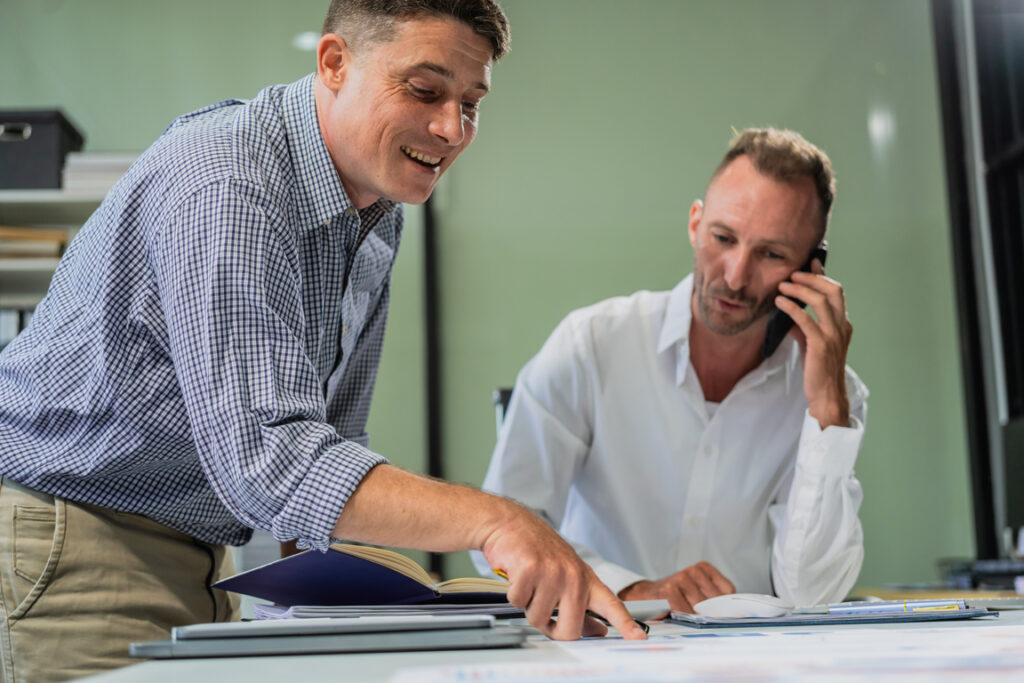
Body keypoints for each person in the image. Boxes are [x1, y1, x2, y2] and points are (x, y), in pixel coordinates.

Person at [0, 1, 645, 679]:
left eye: (472, 103)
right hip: (75, 535)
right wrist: (497, 521)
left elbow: (329, 445)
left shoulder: (376, 212)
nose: (451, 128)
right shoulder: (229, 180)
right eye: (424, 91)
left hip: (202, 552)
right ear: (334, 62)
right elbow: (272, 460)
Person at [474, 128, 868, 613]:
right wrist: (631, 589)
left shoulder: (832, 398)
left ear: (812, 268)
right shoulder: (591, 345)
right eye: (723, 238)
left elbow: (812, 593)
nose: (735, 275)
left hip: (745, 663)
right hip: (596, 649)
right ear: (695, 224)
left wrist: (827, 410)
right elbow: (499, 533)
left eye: (771, 254)